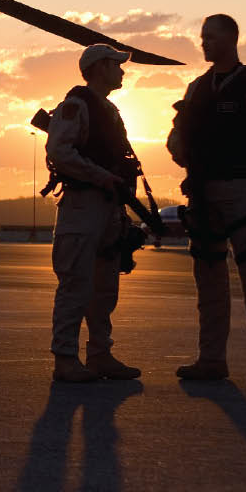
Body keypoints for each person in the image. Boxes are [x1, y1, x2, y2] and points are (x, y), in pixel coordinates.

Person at [167, 14, 246, 386]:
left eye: (210, 36)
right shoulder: (196, 88)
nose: (204, 43)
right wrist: (189, 162)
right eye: (202, 37)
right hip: (203, 193)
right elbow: (177, 138)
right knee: (208, 279)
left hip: (244, 192)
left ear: (231, 38)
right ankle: (211, 359)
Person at [45, 44, 142, 383]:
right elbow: (59, 151)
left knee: (104, 289)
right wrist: (103, 177)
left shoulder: (109, 111)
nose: (122, 70)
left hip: (107, 209)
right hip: (83, 205)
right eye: (116, 64)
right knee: (76, 285)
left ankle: (100, 354)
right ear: (100, 67)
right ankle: (66, 358)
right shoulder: (75, 106)